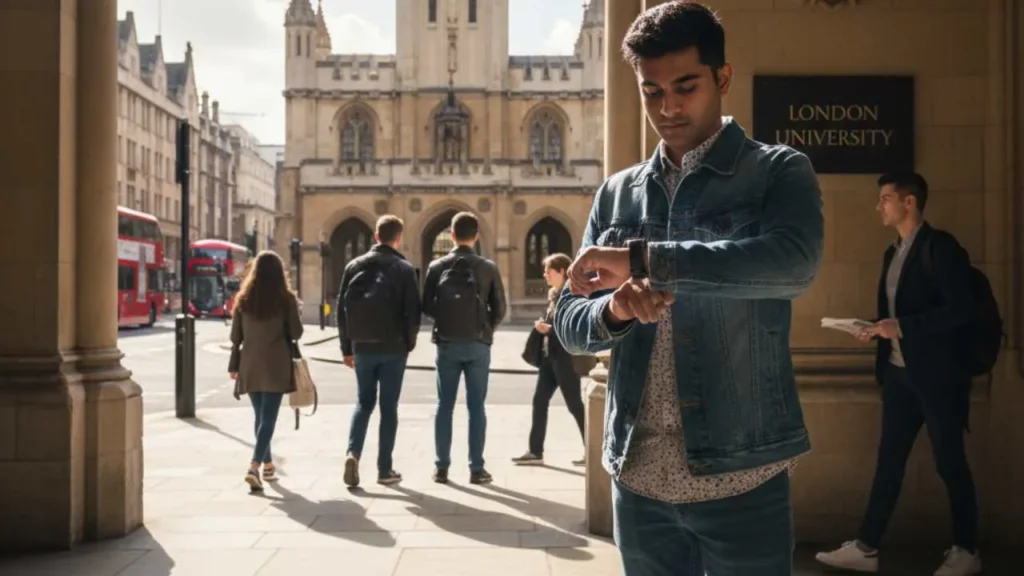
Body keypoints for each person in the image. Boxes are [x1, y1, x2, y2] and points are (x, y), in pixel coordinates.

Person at [553, 3, 824, 575]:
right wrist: (616, 310)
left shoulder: (779, 171)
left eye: (685, 86)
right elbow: (570, 321)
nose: (668, 107)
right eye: (652, 92)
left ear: (722, 78)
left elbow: (792, 266)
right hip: (638, 481)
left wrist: (643, 259)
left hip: (743, 476)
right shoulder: (616, 194)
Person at [815, 173, 981, 576]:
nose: (879, 206)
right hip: (900, 376)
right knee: (888, 462)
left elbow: (960, 310)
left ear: (910, 203)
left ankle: (967, 551)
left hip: (938, 379)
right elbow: (898, 314)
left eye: (886, 199)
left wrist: (901, 327)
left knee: (950, 464)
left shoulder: (941, 248)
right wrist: (873, 328)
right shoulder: (892, 253)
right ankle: (867, 547)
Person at [422, 211, 507, 485]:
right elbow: (501, 308)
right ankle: (476, 468)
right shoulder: (488, 267)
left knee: (444, 405)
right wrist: (486, 328)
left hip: (447, 343)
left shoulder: (437, 267)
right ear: (476, 236)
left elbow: (426, 305)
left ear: (453, 235)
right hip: (478, 343)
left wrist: (446, 321)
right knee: (476, 407)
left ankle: (441, 467)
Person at [336, 215, 421, 488]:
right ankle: (385, 469)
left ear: (375, 236)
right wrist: (409, 342)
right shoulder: (405, 268)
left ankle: (353, 453)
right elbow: (413, 312)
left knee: (363, 403)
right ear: (398, 238)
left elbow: (341, 311)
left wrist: (346, 348)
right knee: (388, 408)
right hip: (394, 347)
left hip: (362, 345)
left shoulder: (354, 265)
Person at [227, 250, 304, 493]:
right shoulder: (286, 299)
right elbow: (297, 333)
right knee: (268, 418)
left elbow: (234, 337)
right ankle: (254, 466)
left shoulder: (243, 299)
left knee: (260, 417)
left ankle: (268, 464)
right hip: (275, 363)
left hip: (249, 364)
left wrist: (234, 364)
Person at [512, 253, 586, 467]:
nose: (545, 275)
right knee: (539, 400)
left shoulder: (573, 295)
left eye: (548, 271)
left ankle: (593, 449)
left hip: (565, 357)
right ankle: (535, 452)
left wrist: (550, 329)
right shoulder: (554, 294)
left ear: (562, 271)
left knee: (574, 405)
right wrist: (544, 326)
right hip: (549, 356)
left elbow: (575, 327)